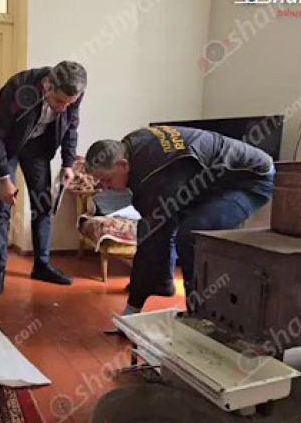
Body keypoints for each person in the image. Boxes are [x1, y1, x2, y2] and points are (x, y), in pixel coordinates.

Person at [85, 126, 274, 315]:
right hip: (210, 178)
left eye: (107, 180)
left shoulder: (155, 175)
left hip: (251, 179)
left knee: (191, 235)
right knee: (164, 221)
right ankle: (163, 284)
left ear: (123, 165)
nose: (105, 188)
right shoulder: (131, 144)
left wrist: (132, 307)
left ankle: (199, 314)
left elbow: (150, 239)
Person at [0, 61, 87, 295]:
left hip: (38, 149)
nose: (63, 108)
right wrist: (3, 178)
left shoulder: (74, 94)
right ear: (48, 85)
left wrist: (68, 164)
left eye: (69, 103)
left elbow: (71, 127)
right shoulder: (19, 88)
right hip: (7, 147)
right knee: (1, 209)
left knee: (43, 206)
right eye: (59, 101)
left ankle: (41, 265)